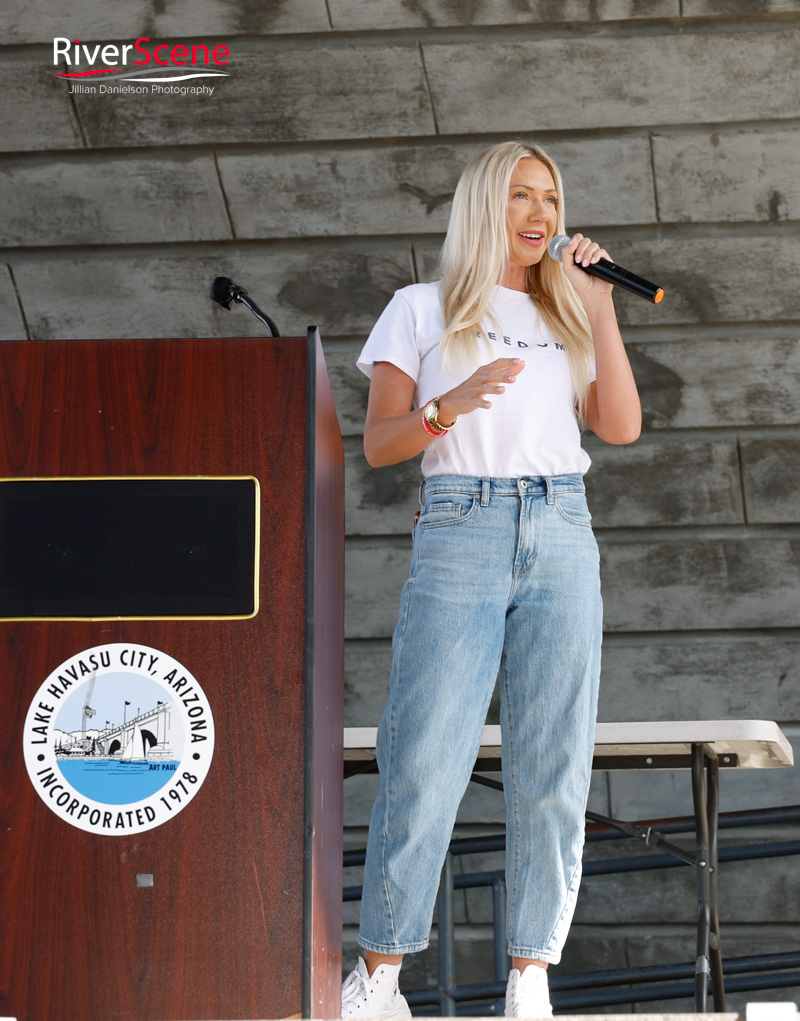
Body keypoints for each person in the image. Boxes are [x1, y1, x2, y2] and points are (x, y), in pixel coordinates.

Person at [341, 140, 641, 1019]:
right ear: (483, 205)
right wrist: (449, 404)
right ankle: (381, 973)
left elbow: (620, 425)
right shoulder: (421, 307)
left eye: (550, 196)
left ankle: (529, 973)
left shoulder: (569, 311)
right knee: (425, 749)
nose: (540, 211)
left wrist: (600, 306)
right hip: (461, 522)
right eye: (520, 195)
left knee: (553, 757)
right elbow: (380, 443)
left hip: (561, 525)